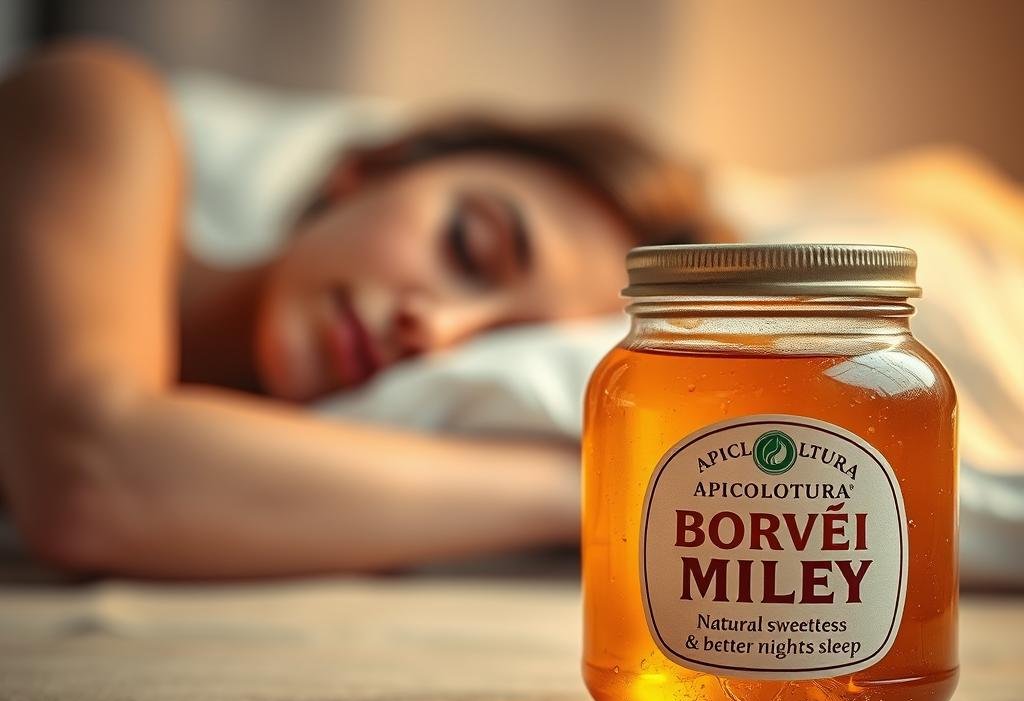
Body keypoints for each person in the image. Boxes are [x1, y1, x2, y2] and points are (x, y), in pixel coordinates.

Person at [0, 41, 731, 577]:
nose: (439, 333)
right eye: (466, 247)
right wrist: (595, 486)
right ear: (370, 168)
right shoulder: (94, 108)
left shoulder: (320, 507)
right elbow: (89, 478)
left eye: (496, 349)